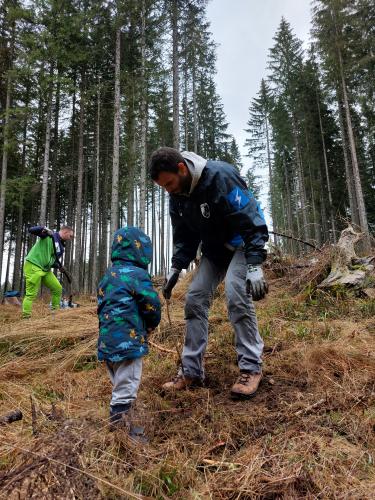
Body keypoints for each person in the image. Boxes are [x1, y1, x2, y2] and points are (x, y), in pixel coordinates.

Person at [149, 147, 269, 399]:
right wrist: (176, 266)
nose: (168, 190)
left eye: (169, 183)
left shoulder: (220, 176)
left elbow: (250, 218)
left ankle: (251, 368)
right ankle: (191, 371)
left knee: (236, 293)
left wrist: (255, 264)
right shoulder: (177, 194)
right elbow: (184, 235)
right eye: (164, 187)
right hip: (214, 250)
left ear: (181, 168)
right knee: (194, 297)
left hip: (242, 243)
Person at [97, 226, 161, 435]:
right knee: (126, 388)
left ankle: (123, 421)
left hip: (107, 343)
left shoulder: (108, 276)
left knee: (120, 385)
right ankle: (122, 434)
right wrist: (152, 323)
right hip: (128, 343)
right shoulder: (138, 274)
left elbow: (101, 306)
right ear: (141, 250)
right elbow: (150, 303)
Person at [22, 225, 74, 318]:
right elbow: (31, 229)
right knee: (31, 294)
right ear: (65, 232)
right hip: (34, 265)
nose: (70, 238)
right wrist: (43, 229)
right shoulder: (48, 235)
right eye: (70, 236)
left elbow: (52, 261)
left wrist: (59, 266)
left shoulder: (61, 248)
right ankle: (26, 318)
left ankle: (54, 314)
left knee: (58, 288)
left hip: (45, 270)